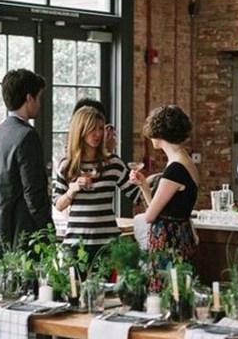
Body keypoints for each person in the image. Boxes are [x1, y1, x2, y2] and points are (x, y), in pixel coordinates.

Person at [54, 106, 139, 263]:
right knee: (73, 287)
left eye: (101, 128)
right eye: (92, 129)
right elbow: (58, 205)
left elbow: (137, 195)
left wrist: (146, 182)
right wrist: (71, 191)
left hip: (108, 245)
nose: (98, 134)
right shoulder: (67, 166)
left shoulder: (113, 163)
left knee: (110, 288)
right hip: (76, 245)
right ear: (80, 130)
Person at [0, 69, 51, 251]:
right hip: (21, 234)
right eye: (39, 98)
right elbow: (33, 193)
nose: (39, 104)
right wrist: (47, 230)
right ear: (29, 98)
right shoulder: (27, 136)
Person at [130, 105, 199, 264]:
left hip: (169, 241)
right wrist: (144, 186)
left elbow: (150, 216)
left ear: (159, 133)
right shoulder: (185, 161)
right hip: (181, 236)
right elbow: (160, 210)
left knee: (167, 285)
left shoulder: (175, 169)